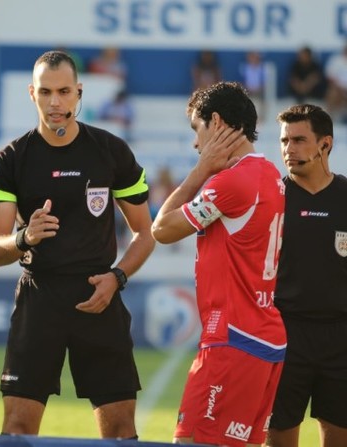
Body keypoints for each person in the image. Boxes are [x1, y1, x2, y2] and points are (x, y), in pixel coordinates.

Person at [0, 50, 155, 439]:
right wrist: (25, 237)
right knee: (18, 427)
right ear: (32, 94)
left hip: (100, 297)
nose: (55, 102)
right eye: (45, 92)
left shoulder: (110, 151)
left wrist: (118, 277)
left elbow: (146, 232)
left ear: (79, 92)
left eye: (63, 91)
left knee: (120, 428)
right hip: (39, 298)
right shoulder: (11, 159)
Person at [151, 81, 287, 447]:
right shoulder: (271, 175)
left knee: (192, 441)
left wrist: (201, 170)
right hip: (265, 341)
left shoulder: (232, 182)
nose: (196, 144)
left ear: (216, 122)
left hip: (233, 340)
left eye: (197, 130)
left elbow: (161, 229)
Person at [266, 104, 347, 447]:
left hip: (341, 338)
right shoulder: (272, 197)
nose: (289, 149)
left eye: (299, 140)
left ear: (325, 144)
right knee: (280, 438)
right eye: (285, 140)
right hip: (285, 336)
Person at [324, 43, 347, 120]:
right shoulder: (336, 60)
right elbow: (330, 77)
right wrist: (340, 88)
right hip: (338, 88)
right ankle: (329, 120)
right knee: (332, 93)